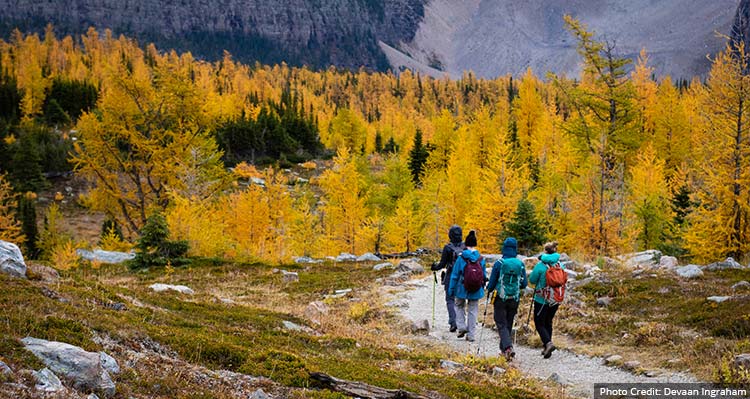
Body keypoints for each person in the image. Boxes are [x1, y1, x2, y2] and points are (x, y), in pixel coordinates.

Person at [486, 237, 527, 360]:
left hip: (500, 298)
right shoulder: (521, 264)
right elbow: (524, 284)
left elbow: (492, 282)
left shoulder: (499, 263)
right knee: (508, 322)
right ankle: (504, 351)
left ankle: (508, 347)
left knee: (500, 322)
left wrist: (489, 289)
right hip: (514, 298)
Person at [447, 230, 486, 342]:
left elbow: (455, 275)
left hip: (462, 288)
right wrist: (482, 288)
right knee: (473, 310)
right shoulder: (480, 258)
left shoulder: (461, 258)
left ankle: (462, 327)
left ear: (466, 244)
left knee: (459, 306)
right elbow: (483, 276)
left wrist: (451, 289)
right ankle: (471, 335)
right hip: (476, 289)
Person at [528, 241, 562, 358]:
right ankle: (547, 347)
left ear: (545, 251)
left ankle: (548, 343)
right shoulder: (559, 265)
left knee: (539, 323)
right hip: (556, 299)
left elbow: (532, 280)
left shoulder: (541, 265)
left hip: (541, 299)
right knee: (548, 322)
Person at [430, 225, 465, 332]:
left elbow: (442, 264)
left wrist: (434, 267)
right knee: (461, 300)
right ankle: (462, 323)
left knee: (450, 299)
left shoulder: (447, 248)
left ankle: (453, 322)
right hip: (463, 277)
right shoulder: (465, 246)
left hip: (450, 275)